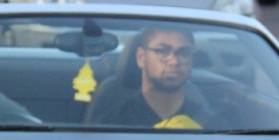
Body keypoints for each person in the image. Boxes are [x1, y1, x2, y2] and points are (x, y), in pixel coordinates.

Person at [88, 26, 220, 129]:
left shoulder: (213, 126)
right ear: (141, 57)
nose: (174, 61)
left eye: (184, 53)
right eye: (162, 51)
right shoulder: (110, 125)